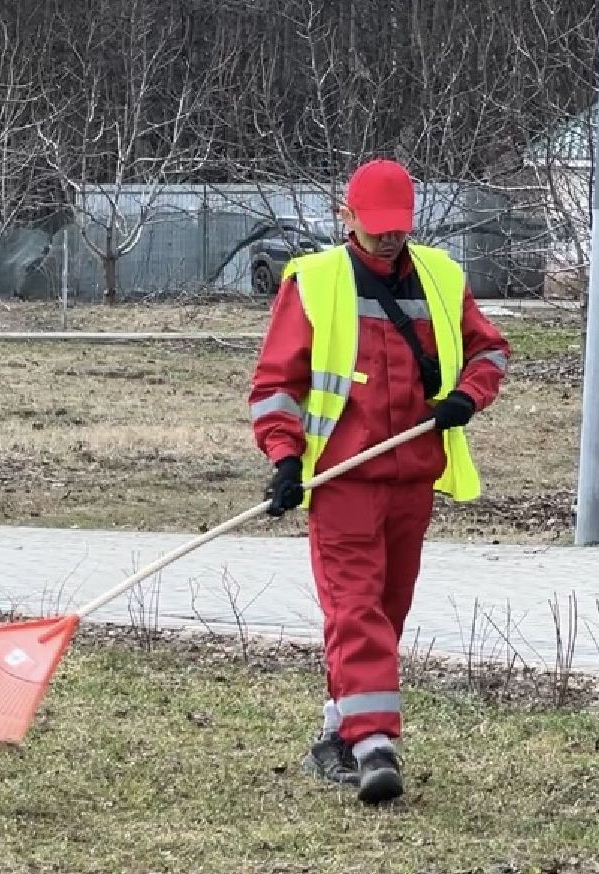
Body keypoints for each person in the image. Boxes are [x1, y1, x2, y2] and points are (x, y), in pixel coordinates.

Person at [247, 158, 509, 805]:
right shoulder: (313, 282)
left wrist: (465, 399)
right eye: (376, 228)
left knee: (383, 614)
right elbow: (276, 386)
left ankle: (338, 731)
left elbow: (490, 351)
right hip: (341, 482)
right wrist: (285, 460)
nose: (388, 239)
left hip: (413, 478)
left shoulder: (442, 279)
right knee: (357, 609)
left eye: (398, 228)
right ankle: (373, 745)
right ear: (347, 218)